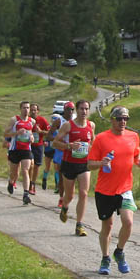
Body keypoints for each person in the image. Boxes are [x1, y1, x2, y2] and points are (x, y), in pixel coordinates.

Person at [87, 106, 140, 274]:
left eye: (126, 119)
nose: (123, 122)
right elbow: (90, 164)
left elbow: (136, 155)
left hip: (125, 188)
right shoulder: (101, 138)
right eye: (120, 118)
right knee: (107, 226)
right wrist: (101, 163)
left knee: (128, 222)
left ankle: (119, 252)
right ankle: (105, 258)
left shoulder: (133, 136)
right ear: (112, 119)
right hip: (105, 190)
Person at [53, 99, 94, 236]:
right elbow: (55, 143)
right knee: (69, 195)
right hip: (69, 163)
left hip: (84, 164)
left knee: (83, 193)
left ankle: (79, 225)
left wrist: (91, 149)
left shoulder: (91, 125)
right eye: (82, 109)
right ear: (77, 110)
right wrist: (69, 146)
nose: (84, 111)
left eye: (86, 109)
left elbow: (93, 142)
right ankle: (64, 207)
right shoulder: (68, 126)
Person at [4, 100, 35, 204]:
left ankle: (25, 194)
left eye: (28, 108)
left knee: (25, 170)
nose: (26, 110)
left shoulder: (32, 121)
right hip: (15, 149)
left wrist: (31, 138)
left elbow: (31, 134)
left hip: (26, 149)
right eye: (24, 108)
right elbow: (6, 134)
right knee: (14, 173)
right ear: (20, 109)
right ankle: (11, 181)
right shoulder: (14, 120)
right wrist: (17, 133)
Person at [29, 102, 47, 194]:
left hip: (39, 146)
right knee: (30, 164)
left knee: (36, 166)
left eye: (34, 110)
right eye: (31, 110)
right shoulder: (26, 120)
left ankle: (33, 183)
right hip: (28, 146)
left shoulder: (42, 120)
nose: (32, 112)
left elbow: (49, 132)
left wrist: (41, 131)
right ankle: (30, 184)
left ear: (38, 111)